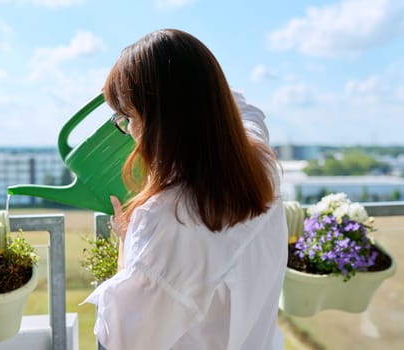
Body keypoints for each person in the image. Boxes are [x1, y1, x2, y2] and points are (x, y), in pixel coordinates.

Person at [83, 29, 287, 350]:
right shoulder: (260, 164)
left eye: (128, 117)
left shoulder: (165, 221)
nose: (130, 131)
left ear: (162, 124)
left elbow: (120, 340)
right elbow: (243, 110)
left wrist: (127, 241)